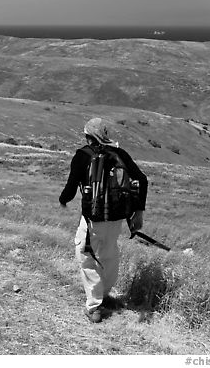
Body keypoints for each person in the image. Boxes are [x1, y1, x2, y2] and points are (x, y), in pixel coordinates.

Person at [59, 118, 148, 323]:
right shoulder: (119, 154)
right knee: (109, 255)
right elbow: (141, 179)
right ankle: (105, 295)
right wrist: (139, 212)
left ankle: (94, 306)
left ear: (88, 136)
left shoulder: (82, 156)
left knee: (86, 257)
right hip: (116, 218)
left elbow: (71, 188)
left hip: (93, 219)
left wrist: (63, 200)